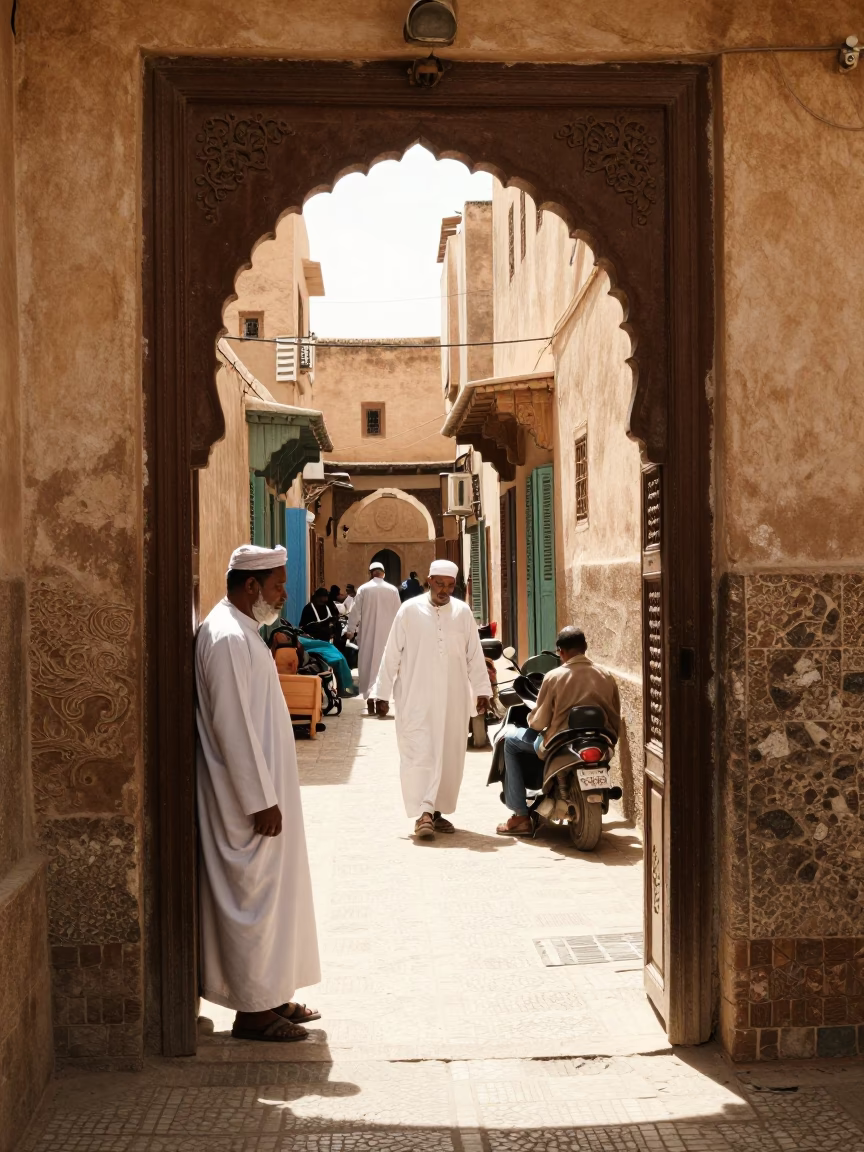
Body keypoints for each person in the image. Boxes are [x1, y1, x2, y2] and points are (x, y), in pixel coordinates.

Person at [195, 543, 321, 1042]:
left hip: (265, 793)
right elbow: (232, 727)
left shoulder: (243, 631)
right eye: (277, 585)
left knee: (275, 897)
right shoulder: (226, 636)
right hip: (243, 803)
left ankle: (272, 995)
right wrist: (259, 799)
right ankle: (252, 1011)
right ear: (252, 587)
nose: (283, 594)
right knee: (254, 901)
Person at [371, 559, 493, 840]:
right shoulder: (409, 610)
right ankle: (423, 812)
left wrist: (482, 690)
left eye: (450, 585)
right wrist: (382, 692)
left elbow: (474, 655)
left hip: (453, 699)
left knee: (448, 755)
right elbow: (392, 653)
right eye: (439, 584)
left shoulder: (462, 613)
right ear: (428, 580)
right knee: (419, 752)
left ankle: (435, 812)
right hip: (416, 697)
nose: (444, 590)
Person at [496, 625, 621, 836]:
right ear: (585, 647)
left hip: (559, 742)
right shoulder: (606, 675)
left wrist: (530, 718)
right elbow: (615, 717)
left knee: (510, 742)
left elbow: (538, 722)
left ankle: (520, 816)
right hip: (600, 741)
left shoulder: (554, 676)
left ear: (560, 651)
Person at [346, 561, 401, 715]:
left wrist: (350, 630)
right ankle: (382, 700)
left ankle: (370, 700)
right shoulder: (392, 590)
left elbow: (355, 612)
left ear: (371, 573)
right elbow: (399, 614)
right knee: (385, 665)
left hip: (368, 636)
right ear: (383, 573)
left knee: (368, 666)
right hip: (388, 636)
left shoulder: (363, 589)